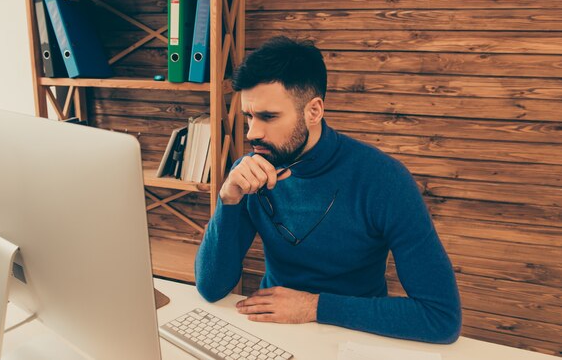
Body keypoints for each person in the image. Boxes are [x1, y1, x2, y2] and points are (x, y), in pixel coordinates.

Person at [194, 36, 461, 343]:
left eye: (269, 117)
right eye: (250, 117)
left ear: (314, 111)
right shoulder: (251, 172)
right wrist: (227, 200)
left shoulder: (385, 180)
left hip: (356, 334)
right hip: (271, 330)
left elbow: (441, 317)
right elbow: (211, 288)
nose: (253, 133)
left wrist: (313, 306)